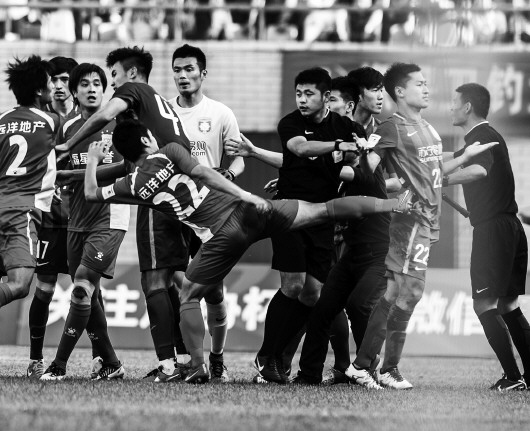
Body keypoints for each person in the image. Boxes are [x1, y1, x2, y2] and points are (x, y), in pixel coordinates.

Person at [84, 118, 414, 383]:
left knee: (187, 297)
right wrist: (245, 195)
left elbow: (91, 194)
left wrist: (93, 162)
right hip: (250, 212)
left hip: (222, 237)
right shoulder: (169, 150)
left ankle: (197, 365)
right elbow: (203, 172)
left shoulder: (132, 185)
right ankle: (392, 204)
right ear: (146, 140)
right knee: (324, 210)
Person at [345, 63, 496, 390]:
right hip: (411, 221)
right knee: (410, 293)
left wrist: (465, 156)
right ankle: (381, 368)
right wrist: (368, 160)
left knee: (394, 293)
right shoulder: (391, 127)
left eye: (427, 83)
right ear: (400, 91)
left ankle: (367, 365)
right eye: (420, 84)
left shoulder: (428, 127)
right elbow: (368, 172)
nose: (427, 89)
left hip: (428, 220)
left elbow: (434, 171)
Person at [55, 46, 193, 383]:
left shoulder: (134, 93)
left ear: (130, 74)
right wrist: (73, 173)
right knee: (173, 281)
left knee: (155, 280)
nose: (111, 85)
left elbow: (104, 116)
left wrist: (68, 145)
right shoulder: (149, 112)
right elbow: (124, 168)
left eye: (112, 76)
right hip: (176, 190)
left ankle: (172, 364)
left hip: (158, 192)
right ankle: (189, 360)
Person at [253, 67, 368, 384]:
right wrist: (338, 146)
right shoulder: (290, 123)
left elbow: (357, 164)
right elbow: (300, 148)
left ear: (326, 96)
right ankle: (267, 355)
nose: (302, 100)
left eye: (309, 94)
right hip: (289, 213)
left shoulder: (347, 127)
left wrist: (356, 154)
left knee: (312, 294)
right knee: (292, 285)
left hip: (322, 216)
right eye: (298, 93)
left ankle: (277, 355)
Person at [295, 70, 398, 386]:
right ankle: (310, 374)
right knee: (323, 307)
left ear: (351, 104)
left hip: (379, 245)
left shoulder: (374, 138)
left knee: (358, 305)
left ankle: (369, 369)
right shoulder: (337, 139)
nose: (380, 95)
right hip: (350, 242)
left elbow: (372, 180)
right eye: (374, 89)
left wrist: (330, 170)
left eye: (334, 100)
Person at [40, 63, 129, 381]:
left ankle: (58, 365)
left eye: (97, 84)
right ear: (74, 92)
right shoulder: (67, 128)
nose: (92, 89)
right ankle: (111, 363)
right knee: (91, 296)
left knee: (80, 288)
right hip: (76, 220)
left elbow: (125, 169)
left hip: (110, 217)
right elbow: (56, 171)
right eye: (85, 84)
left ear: (104, 90)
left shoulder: (119, 125)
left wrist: (78, 171)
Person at [167, 43, 245, 382]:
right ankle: (184, 360)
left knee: (213, 291)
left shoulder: (220, 113)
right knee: (174, 283)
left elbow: (239, 158)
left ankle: (216, 359)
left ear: (203, 73)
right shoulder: (165, 113)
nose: (183, 76)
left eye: (189, 69)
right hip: (173, 211)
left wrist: (229, 174)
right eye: (177, 70)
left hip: (210, 213)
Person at [445, 83, 529, 391]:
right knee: (508, 304)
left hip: (494, 230)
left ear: (467, 107)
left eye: (454, 103)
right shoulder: (483, 136)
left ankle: (512, 377)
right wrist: (417, 157)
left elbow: (479, 171)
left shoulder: (481, 136)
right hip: (510, 227)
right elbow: (450, 157)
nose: (450, 108)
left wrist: (441, 180)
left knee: (483, 304)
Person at [27, 56, 79, 379]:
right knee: (44, 288)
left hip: (80, 220)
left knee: (87, 290)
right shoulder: (39, 122)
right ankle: (35, 359)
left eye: (64, 79)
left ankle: (102, 358)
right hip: (47, 218)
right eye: (53, 80)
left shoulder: (85, 121)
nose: (58, 86)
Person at [0, 57, 57, 320]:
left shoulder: (1, 120)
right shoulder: (51, 121)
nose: (54, 87)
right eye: (50, 82)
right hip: (21, 211)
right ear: (38, 90)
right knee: (20, 284)